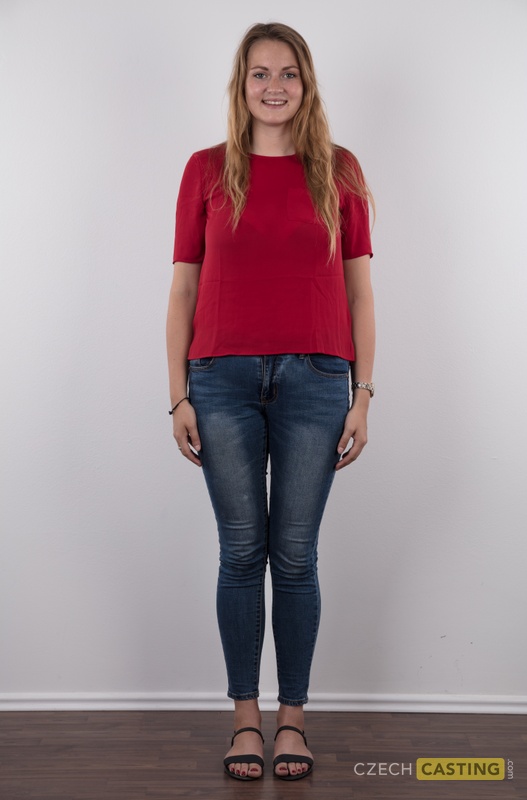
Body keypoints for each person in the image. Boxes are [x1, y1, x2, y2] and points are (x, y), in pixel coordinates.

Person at [166, 21, 375, 782]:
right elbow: (183, 289)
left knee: (293, 555)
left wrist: (362, 394)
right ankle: (244, 719)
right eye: (260, 73)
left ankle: (292, 719)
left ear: (306, 84)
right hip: (218, 379)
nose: (274, 86)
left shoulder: (339, 171)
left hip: (317, 380)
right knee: (238, 552)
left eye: (288, 73)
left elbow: (359, 292)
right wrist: (177, 395)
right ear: (241, 85)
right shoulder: (205, 170)